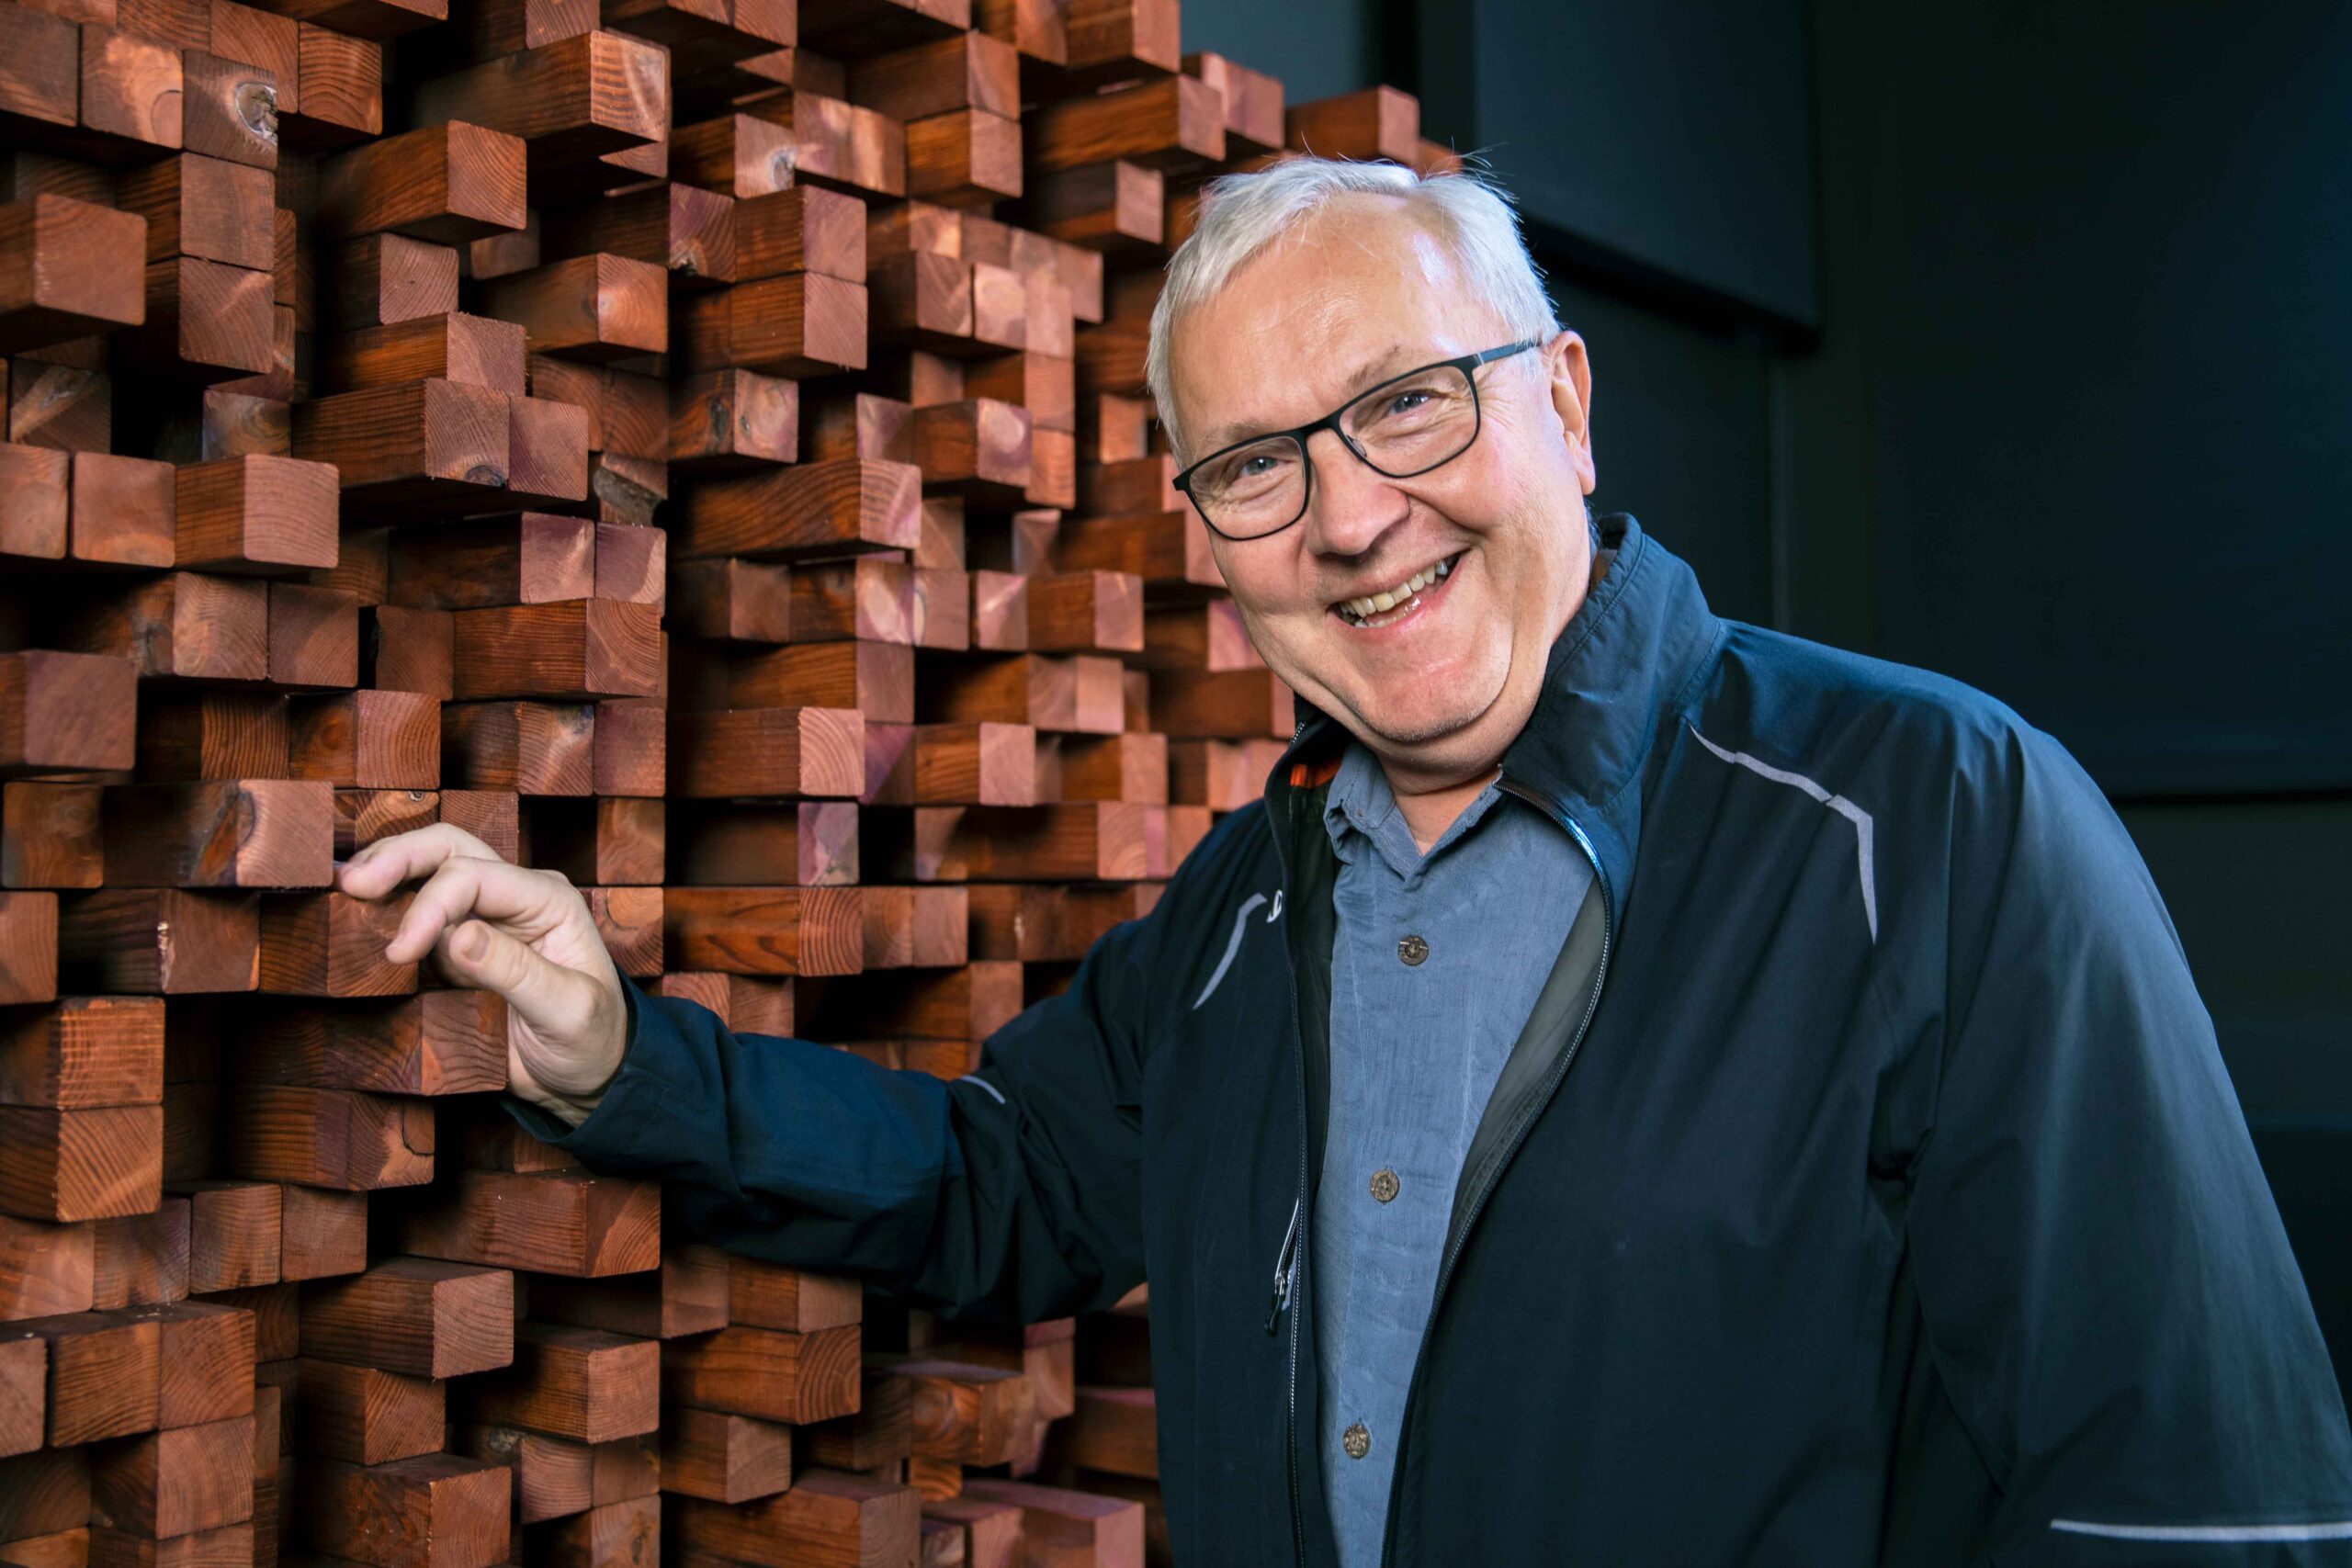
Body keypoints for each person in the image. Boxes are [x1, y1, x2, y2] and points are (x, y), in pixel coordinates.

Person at [338, 157, 2352, 1565]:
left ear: (1564, 403)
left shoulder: (1934, 821)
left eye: (1405, 405)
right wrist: (622, 1056)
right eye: (1254, 463)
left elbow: (2197, 1502)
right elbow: (1000, 1181)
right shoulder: (1248, 901)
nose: (1350, 518)